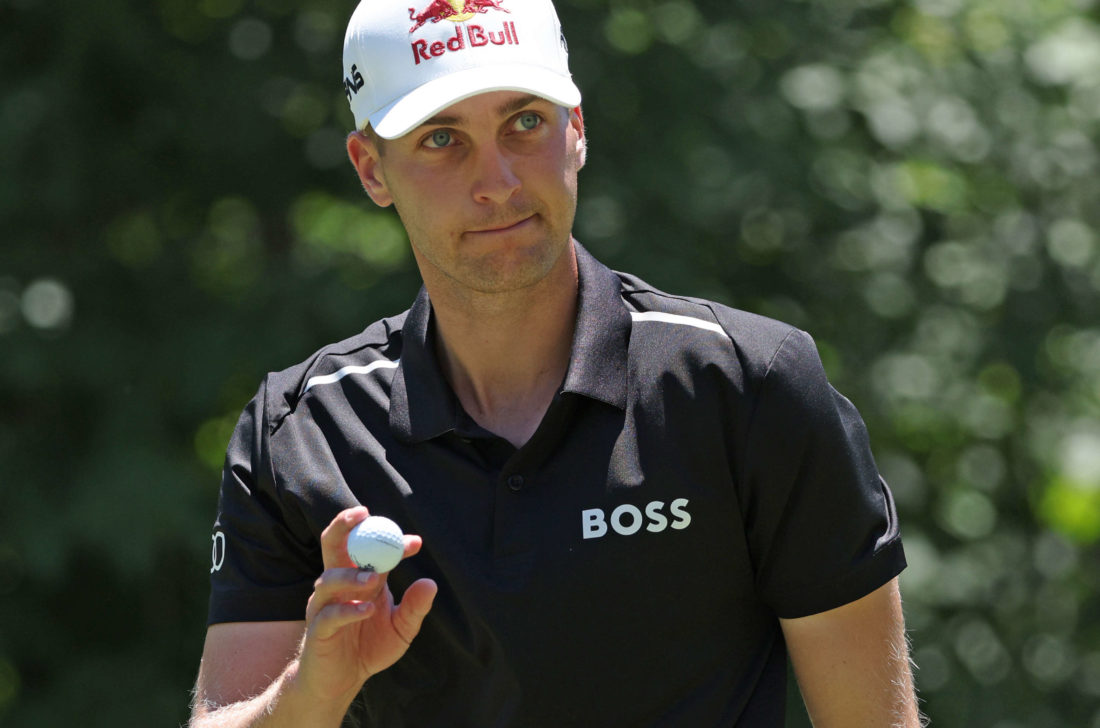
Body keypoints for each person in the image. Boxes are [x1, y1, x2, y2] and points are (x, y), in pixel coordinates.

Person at [190, 0, 923, 725]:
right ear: (371, 169)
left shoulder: (749, 386)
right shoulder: (298, 431)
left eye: (525, 123)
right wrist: (310, 693)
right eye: (442, 139)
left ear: (576, 129)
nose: (500, 182)